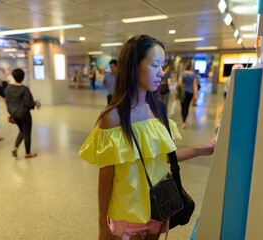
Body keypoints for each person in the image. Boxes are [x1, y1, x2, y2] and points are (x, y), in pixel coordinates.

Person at [79, 35, 216, 240]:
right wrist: (101, 224)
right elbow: (105, 177)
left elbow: (163, 157)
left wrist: (202, 149)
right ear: (133, 67)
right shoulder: (112, 118)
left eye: (162, 65)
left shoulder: (157, 110)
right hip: (126, 215)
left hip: (156, 209)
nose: (162, 72)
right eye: (155, 65)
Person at [5, 68, 40, 159]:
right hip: (24, 114)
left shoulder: (8, 88)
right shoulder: (24, 89)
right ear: (23, 78)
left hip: (14, 113)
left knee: (22, 130)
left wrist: (11, 114)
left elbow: (8, 102)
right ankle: (27, 153)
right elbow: (29, 103)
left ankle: (15, 147)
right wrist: (35, 103)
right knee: (27, 132)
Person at [178, 62, 198, 129]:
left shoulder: (182, 74)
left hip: (183, 92)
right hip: (190, 92)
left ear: (185, 66)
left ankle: (183, 122)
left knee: (183, 106)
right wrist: (196, 95)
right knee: (187, 106)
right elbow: (195, 85)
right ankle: (185, 119)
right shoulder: (193, 75)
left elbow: (180, 83)